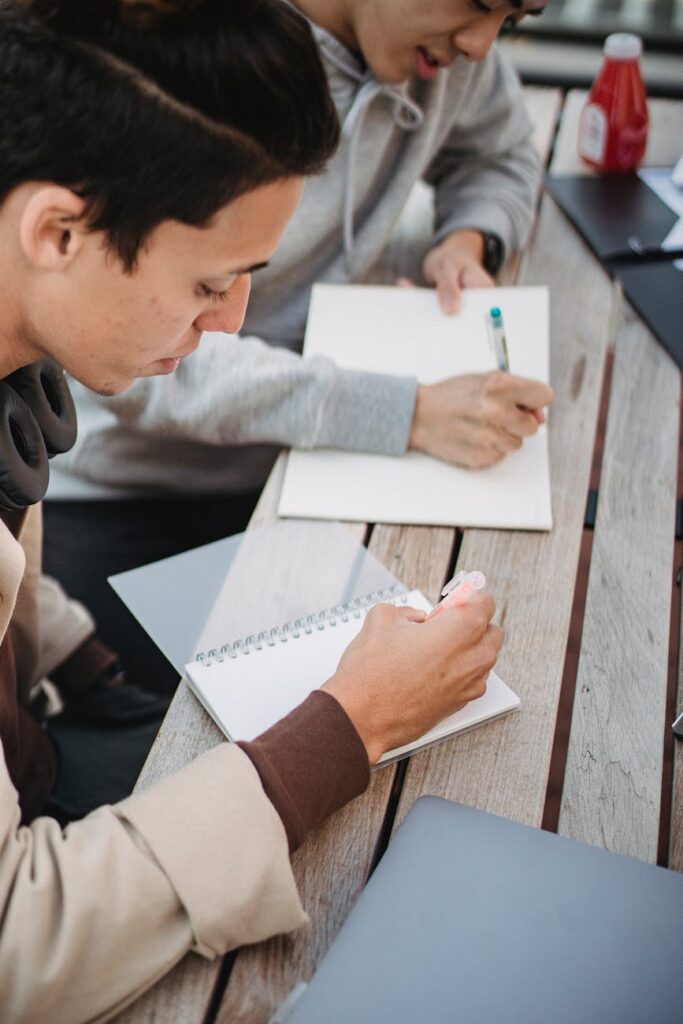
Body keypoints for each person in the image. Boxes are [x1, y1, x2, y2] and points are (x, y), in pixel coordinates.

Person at [0, 2, 503, 1020]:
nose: (230, 324)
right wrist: (350, 725)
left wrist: (78, 661)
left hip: (50, 728)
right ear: (56, 229)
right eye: (209, 281)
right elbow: (15, 946)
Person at [44, 0, 555, 694]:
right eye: (478, 3)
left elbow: (498, 152)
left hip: (302, 462)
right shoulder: (197, 59)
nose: (481, 44)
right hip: (123, 491)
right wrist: (403, 412)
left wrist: (469, 237)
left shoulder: (446, 50)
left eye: (512, 20)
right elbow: (134, 359)